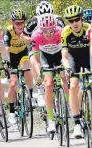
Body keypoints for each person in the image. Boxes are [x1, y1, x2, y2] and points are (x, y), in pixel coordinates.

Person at [21, 1, 65, 107]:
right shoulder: (34, 21)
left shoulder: (58, 20)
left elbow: (64, 34)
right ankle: (40, 90)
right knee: (34, 62)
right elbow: (22, 36)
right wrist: (31, 39)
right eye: (42, 16)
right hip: (36, 43)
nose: (45, 17)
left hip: (53, 45)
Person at [31, 13, 68, 133]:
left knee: (64, 76)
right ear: (40, 30)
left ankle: (69, 105)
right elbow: (36, 61)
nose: (49, 34)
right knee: (48, 84)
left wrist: (66, 66)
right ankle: (51, 120)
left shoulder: (61, 31)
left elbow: (66, 53)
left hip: (59, 54)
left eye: (51, 30)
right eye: (45, 31)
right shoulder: (36, 36)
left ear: (55, 27)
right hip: (45, 56)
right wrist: (40, 73)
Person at [61, 5, 90, 139]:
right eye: (71, 21)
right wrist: (67, 68)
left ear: (82, 18)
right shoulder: (66, 32)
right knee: (73, 85)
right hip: (73, 59)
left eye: (77, 20)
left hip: (87, 56)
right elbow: (65, 56)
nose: (74, 23)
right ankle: (77, 122)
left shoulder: (88, 29)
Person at [3, 9, 34, 125]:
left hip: (22, 53)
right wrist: (6, 63)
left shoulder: (27, 30)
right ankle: (11, 112)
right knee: (13, 83)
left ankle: (30, 97)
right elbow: (5, 50)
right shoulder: (8, 31)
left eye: (22, 22)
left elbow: (32, 42)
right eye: (17, 23)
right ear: (12, 23)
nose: (20, 25)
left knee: (27, 69)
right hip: (11, 57)